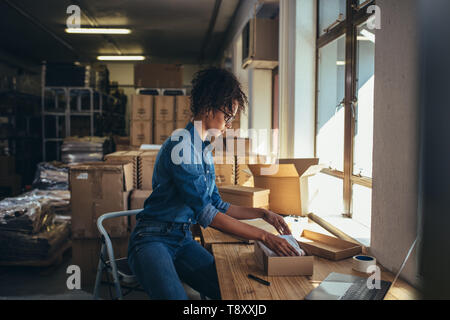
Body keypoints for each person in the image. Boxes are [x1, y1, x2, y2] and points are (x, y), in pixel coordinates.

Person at [127, 67, 300, 300]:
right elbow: (206, 214)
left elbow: (216, 204)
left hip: (181, 239)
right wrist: (265, 236)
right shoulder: (183, 147)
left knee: (231, 290)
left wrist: (262, 213)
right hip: (152, 239)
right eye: (228, 117)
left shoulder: (203, 149)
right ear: (209, 107)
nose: (229, 125)